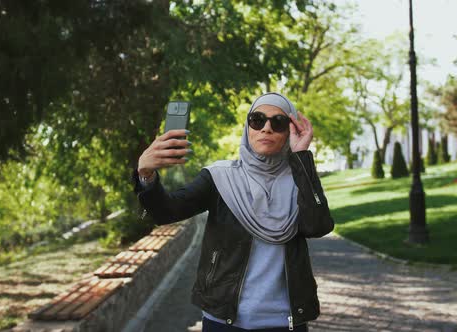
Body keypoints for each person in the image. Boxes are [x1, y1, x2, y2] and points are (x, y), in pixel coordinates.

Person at [133, 92, 334, 331]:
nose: (266, 129)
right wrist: (145, 174)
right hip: (223, 320)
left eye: (278, 123)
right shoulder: (220, 177)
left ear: (289, 131)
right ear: (247, 127)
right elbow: (165, 212)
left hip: (286, 322)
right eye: (257, 120)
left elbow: (318, 226)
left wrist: (302, 157)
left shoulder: (300, 180)